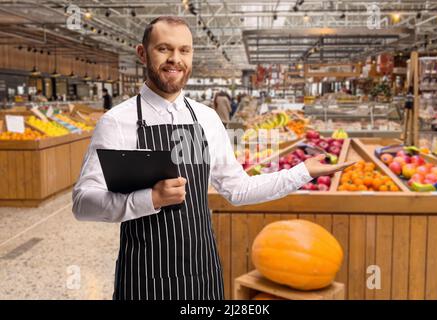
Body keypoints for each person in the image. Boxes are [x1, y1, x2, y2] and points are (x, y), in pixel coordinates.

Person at [72, 16, 353, 301]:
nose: (175, 59)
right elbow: (83, 203)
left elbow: (238, 190)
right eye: (164, 49)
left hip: (201, 272)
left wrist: (302, 171)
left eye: (184, 50)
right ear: (143, 53)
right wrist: (150, 199)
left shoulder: (206, 118)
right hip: (145, 275)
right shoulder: (118, 121)